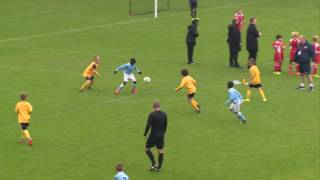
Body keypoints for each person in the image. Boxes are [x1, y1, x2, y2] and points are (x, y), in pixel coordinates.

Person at [144, 102, 167, 171]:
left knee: (146, 148)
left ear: (153, 107)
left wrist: (145, 134)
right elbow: (165, 125)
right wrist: (163, 133)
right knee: (160, 150)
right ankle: (159, 167)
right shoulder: (164, 114)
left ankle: (154, 163)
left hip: (153, 135)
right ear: (159, 106)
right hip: (161, 135)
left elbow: (148, 125)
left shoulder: (152, 114)